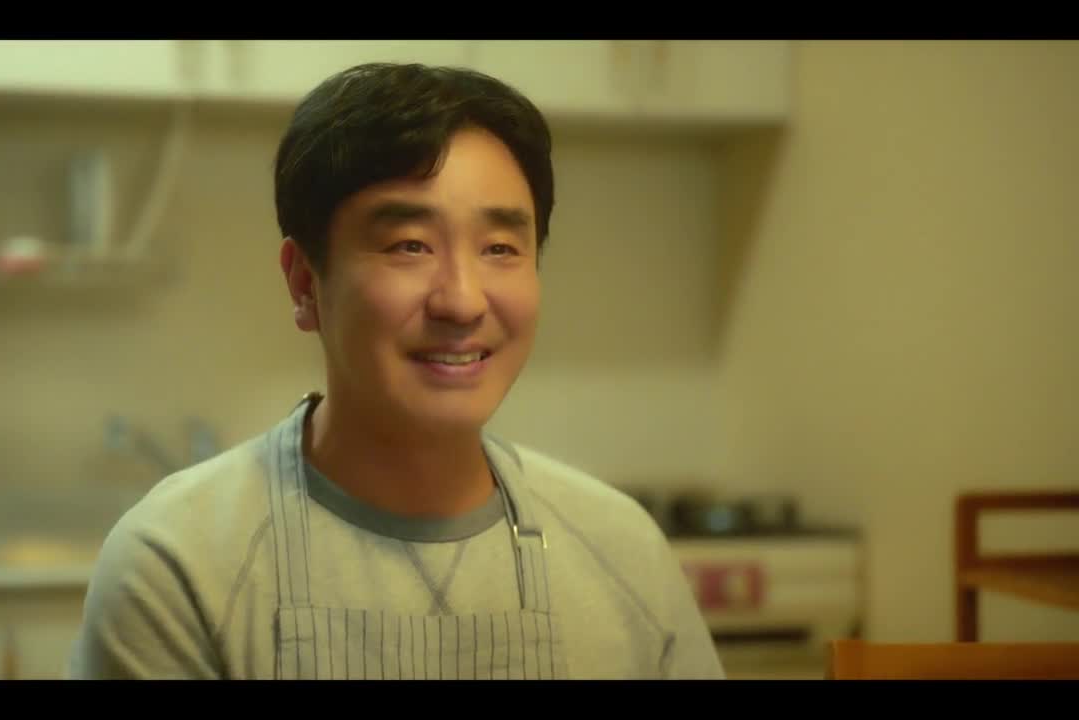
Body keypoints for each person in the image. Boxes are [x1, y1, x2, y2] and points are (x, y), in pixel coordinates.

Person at [67, 61, 724, 680]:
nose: (462, 301)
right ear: (305, 283)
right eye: (410, 246)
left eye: (500, 248)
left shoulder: (623, 554)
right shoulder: (177, 565)